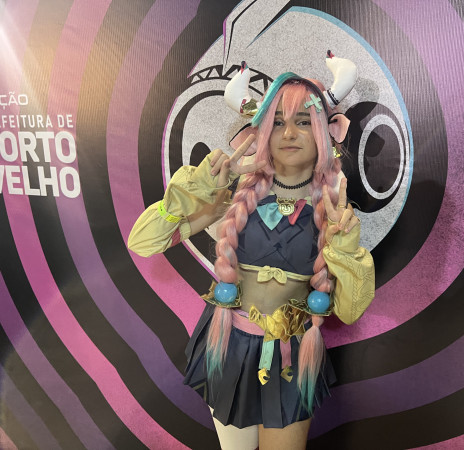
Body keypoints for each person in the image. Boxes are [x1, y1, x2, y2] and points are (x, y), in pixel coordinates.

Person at [128, 52, 375, 450]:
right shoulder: (233, 198)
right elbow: (143, 242)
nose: (289, 133)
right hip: (228, 346)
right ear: (262, 131)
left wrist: (344, 248)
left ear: (325, 132)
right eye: (277, 122)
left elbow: (349, 311)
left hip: (294, 357)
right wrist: (193, 193)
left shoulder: (335, 213)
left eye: (302, 122)